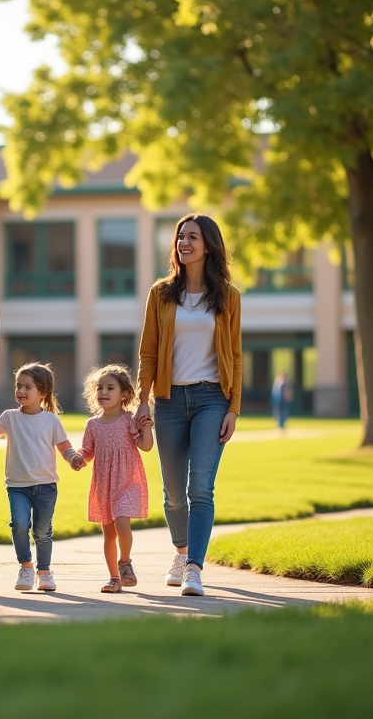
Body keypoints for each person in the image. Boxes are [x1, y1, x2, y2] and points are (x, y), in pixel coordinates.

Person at [135, 213, 242, 597]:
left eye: (192, 237)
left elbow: (236, 356)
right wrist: (142, 402)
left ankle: (195, 567)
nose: (184, 242)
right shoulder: (161, 294)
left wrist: (233, 409)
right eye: (180, 236)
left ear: (208, 245)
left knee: (201, 487)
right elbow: (148, 352)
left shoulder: (228, 297)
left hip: (212, 398)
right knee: (173, 493)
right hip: (167, 401)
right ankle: (180, 553)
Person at [0, 362, 84, 593]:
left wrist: (73, 457)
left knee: (42, 532)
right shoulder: (9, 417)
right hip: (17, 486)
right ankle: (26, 567)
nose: (21, 391)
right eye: (18, 386)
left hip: (46, 486)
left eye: (28, 387)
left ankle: (44, 572)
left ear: (43, 393)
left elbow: (64, 445)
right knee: (18, 525)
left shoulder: (51, 420)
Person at [78, 364, 153, 594]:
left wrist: (147, 428)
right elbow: (87, 453)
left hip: (128, 482)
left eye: (110, 388)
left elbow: (146, 446)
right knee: (108, 533)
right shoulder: (92, 425)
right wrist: (76, 459)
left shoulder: (130, 420)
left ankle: (125, 562)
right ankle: (114, 578)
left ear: (124, 395)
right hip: (104, 485)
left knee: (122, 522)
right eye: (99, 388)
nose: (103, 392)